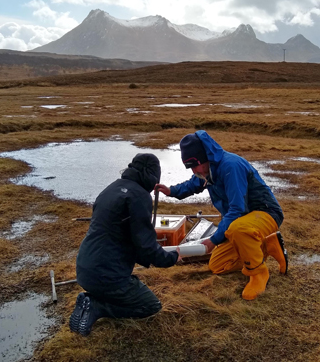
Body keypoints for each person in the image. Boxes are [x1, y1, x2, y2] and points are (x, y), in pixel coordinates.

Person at [155, 131, 288, 301]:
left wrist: (214, 239)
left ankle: (258, 273)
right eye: (190, 167)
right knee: (218, 265)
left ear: (206, 157)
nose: (194, 170)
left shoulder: (231, 166)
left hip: (266, 214)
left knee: (237, 229)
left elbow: (236, 209)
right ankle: (268, 246)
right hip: (242, 222)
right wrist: (171, 191)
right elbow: (193, 184)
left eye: (195, 165)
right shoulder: (209, 171)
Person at [70, 153, 180, 336]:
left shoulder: (111, 188)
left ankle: (92, 298)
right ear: (152, 176)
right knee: (151, 305)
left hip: (84, 269)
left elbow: (127, 238)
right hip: (108, 275)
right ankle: (98, 307)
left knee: (116, 285)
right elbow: (146, 246)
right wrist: (172, 258)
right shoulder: (139, 196)